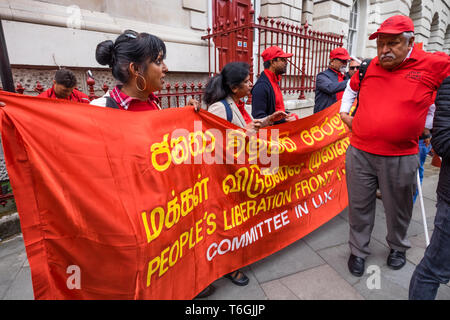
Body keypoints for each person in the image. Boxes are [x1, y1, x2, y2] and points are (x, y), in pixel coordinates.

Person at [91, 29, 208, 298]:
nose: (166, 68)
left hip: (163, 216)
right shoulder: (98, 111)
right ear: (135, 69)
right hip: (128, 224)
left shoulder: (157, 109)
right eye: (158, 61)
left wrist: (188, 119)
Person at [339, 15, 450, 277]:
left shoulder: (433, 64)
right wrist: (345, 113)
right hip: (359, 153)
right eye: (380, 44)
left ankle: (398, 247)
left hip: (402, 155)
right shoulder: (369, 66)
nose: (384, 50)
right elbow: (350, 89)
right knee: (359, 206)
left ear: (410, 42)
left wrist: (436, 120)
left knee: (399, 207)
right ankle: (358, 250)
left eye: (393, 43)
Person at [203, 61, 287, 288]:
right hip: (226, 178)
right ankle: (228, 267)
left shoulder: (239, 105)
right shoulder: (220, 109)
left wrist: (269, 120)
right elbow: (217, 144)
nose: (251, 84)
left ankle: (235, 258)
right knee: (228, 222)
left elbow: (245, 128)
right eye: (247, 81)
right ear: (233, 87)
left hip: (241, 174)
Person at [409, 75, 450, 300]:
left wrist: (426, 131)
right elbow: (443, 139)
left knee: (419, 174)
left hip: (422, 140)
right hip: (278, 134)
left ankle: (412, 199)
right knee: (434, 269)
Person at [251, 46, 297, 123]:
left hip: (278, 132)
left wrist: (290, 115)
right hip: (270, 134)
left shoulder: (274, 81)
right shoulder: (261, 86)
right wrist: (285, 120)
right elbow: (259, 118)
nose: (286, 62)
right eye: (282, 60)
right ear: (272, 62)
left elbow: (277, 110)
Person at [313, 47, 351, 113]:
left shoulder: (345, 76)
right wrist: (351, 81)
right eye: (342, 61)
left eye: (346, 61)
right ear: (332, 61)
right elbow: (330, 88)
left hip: (340, 115)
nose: (345, 64)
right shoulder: (322, 76)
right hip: (325, 117)